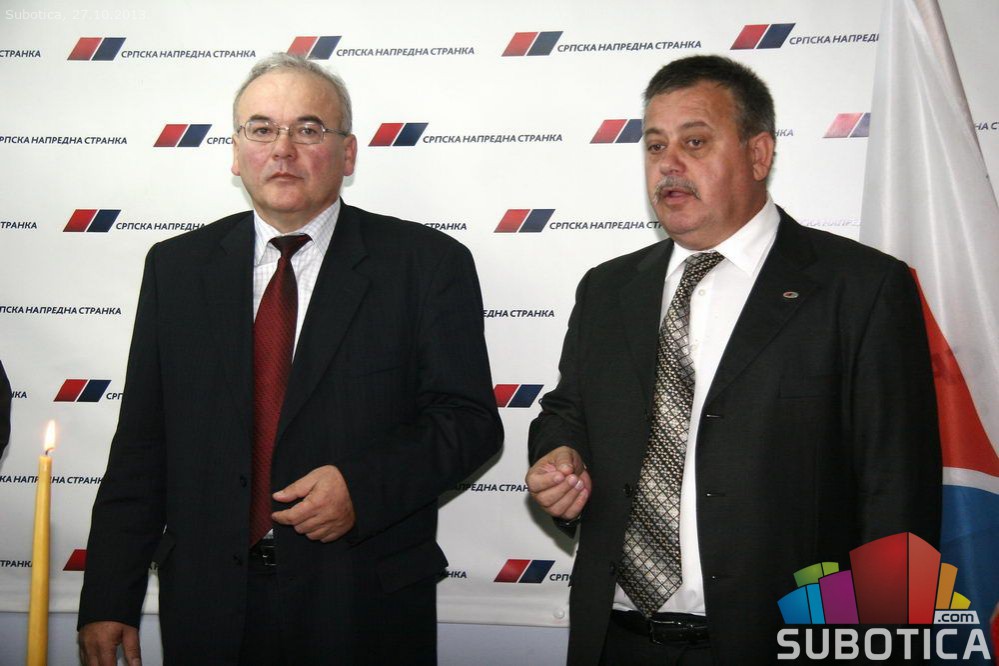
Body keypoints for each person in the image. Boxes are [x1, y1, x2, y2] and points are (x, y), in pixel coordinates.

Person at [77, 53, 502, 665]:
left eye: (308, 129)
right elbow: (142, 443)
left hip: (362, 602)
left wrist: (363, 486)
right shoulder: (177, 268)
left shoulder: (426, 264)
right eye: (261, 129)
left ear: (348, 154)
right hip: (207, 604)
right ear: (235, 152)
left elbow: (468, 422)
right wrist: (108, 596)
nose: (282, 149)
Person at [526, 55, 941, 666]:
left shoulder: (860, 288)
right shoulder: (608, 288)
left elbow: (896, 492)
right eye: (655, 145)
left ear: (758, 153)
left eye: (695, 141)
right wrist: (559, 456)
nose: (669, 163)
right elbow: (567, 413)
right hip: (616, 639)